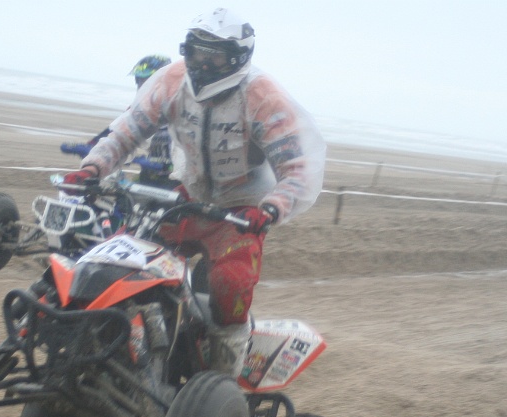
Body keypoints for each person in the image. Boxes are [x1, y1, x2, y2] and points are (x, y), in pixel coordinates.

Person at [62, 7, 326, 377]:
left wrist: (270, 209)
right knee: (121, 259)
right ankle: (113, 347)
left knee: (230, 282)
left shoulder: (264, 97)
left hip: (241, 210)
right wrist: (91, 168)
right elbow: (126, 132)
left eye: (214, 55)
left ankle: (222, 384)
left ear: (237, 58)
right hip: (187, 198)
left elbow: (298, 168)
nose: (202, 64)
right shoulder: (170, 81)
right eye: (196, 52)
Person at [86, 54, 178, 189]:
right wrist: (93, 145)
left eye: (147, 81)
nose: (142, 86)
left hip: (177, 181)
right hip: (149, 175)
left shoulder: (177, 108)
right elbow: (118, 131)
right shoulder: (139, 109)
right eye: (139, 81)